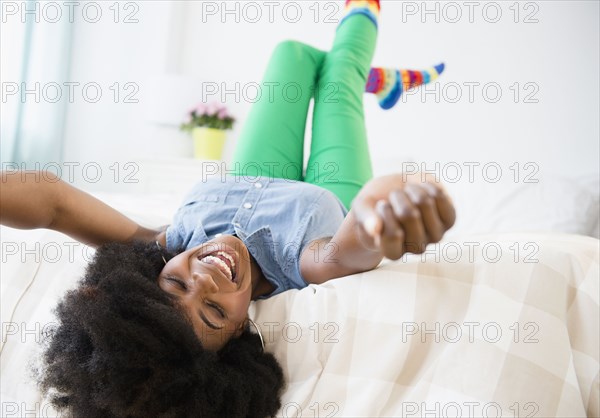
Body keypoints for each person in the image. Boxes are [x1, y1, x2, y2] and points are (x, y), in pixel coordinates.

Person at [0, 1, 455, 416]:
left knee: (292, 54)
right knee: (339, 79)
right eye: (214, 312)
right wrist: (380, 208)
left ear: (149, 275)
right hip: (332, 186)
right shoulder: (293, 268)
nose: (204, 280)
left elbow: (56, 206)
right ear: (239, 331)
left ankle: (380, 81)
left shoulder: (165, 242)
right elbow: (347, 249)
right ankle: (364, 74)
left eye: (176, 282)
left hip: (252, 169)